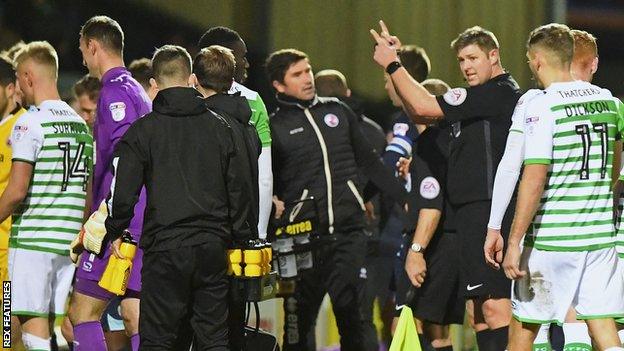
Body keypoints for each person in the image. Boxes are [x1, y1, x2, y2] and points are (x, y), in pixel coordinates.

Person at [371, 21, 522, 350]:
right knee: (478, 313)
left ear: (493, 55)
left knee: (497, 309)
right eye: (461, 61)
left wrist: (393, 65)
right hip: (469, 217)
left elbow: (425, 106)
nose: (466, 67)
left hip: (490, 213)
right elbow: (421, 115)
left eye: (473, 58)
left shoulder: (497, 92)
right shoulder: (479, 99)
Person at [97, 44, 252, 350]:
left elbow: (123, 189)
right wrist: (239, 237)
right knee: (214, 339)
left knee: (159, 340)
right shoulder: (222, 128)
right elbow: (239, 188)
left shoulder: (143, 132)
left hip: (165, 250)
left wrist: (116, 229)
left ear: (154, 84)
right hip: (211, 247)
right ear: (192, 78)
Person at [266, 48, 406, 351]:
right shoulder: (273, 127)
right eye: (297, 74)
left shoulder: (337, 112)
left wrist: (403, 198)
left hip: (348, 235)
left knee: (353, 320)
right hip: (300, 240)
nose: (307, 79)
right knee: (297, 328)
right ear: (278, 85)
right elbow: (267, 183)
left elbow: (371, 164)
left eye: (308, 70)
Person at [502, 23, 624, 351]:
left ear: (538, 59)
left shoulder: (543, 105)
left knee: (523, 331)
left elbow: (535, 177)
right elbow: (614, 169)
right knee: (603, 326)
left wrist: (514, 241)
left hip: (551, 242)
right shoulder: (609, 102)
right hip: (599, 240)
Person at [0, 41, 92, 351]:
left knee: (32, 329)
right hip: (66, 243)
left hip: (32, 242)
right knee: (52, 326)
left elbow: (16, 191)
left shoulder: (30, 123)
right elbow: (87, 191)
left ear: (27, 77)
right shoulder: (81, 126)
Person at [69, 15, 151, 351]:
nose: (84, 60)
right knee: (134, 313)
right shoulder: (137, 91)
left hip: (120, 220)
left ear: (93, 46)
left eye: (83, 52)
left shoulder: (114, 92)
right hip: (142, 217)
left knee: (82, 312)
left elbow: (123, 159)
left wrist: (110, 222)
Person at [193, 45, 260, 351]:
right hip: (240, 239)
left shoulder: (207, 126)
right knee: (231, 330)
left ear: (195, 79)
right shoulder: (248, 126)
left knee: (210, 333)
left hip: (214, 238)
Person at [198, 26, 272, 241]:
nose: (247, 64)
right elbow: (264, 177)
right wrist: (260, 234)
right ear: (226, 57)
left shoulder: (183, 99)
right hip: (240, 227)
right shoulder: (253, 102)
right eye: (243, 56)